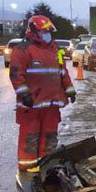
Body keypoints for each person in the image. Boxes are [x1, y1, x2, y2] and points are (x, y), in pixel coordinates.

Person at [10, 15, 76, 172]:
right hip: (32, 103)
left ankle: (46, 160)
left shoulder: (55, 50)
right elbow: (16, 75)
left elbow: (63, 72)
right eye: (44, 31)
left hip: (52, 102)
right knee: (30, 133)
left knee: (50, 133)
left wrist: (70, 90)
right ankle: (28, 164)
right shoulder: (23, 50)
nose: (48, 34)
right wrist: (24, 94)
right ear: (34, 31)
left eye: (49, 31)